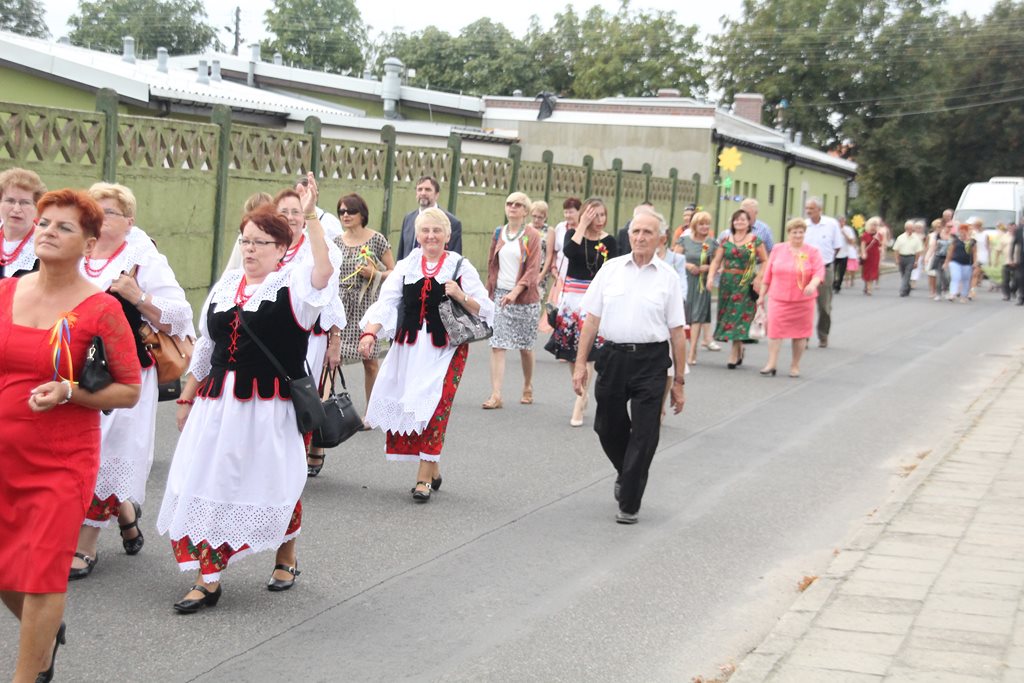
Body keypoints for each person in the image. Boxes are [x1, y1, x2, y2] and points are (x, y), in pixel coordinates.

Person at [157, 184, 336, 613]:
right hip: (217, 405)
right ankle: (209, 577)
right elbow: (207, 346)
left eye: (260, 242)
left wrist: (309, 217)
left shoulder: (293, 286)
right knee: (208, 479)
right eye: (245, 240)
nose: (250, 249)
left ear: (281, 248)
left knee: (273, 482)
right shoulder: (227, 285)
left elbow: (324, 273)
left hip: (268, 409)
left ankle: (285, 556)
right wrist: (186, 395)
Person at [1, 189, 141, 682]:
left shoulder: (101, 308)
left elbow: (129, 390)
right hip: (3, 451)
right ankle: (45, 631)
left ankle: (30, 673)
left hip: (61, 459)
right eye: (44, 223)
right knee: (4, 571)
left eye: (63, 227)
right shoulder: (6, 292)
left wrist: (70, 391)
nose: (47, 232)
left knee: (41, 571)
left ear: (88, 245)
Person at [68, 182, 195, 580]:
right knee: (78, 452)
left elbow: (181, 314)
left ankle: (85, 545)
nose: (100, 218)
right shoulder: (77, 251)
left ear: (129, 221)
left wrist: (138, 296)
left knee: (107, 453)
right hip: (76, 370)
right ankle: (125, 516)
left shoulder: (143, 258)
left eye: (110, 212)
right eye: (94, 209)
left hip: (123, 373)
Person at [358, 208, 494, 502]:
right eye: (425, 231)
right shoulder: (407, 266)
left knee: (435, 406)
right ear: (417, 235)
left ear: (447, 235)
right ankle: (432, 465)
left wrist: (460, 295)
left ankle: (422, 479)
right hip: (409, 348)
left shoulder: (460, 265)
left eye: (436, 230)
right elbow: (387, 303)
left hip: (445, 350)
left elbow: (486, 308)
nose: (431, 236)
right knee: (415, 405)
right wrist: (370, 333)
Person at [572, 207, 686, 525]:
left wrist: (679, 381)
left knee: (645, 433)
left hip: (651, 360)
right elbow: (591, 319)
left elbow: (677, 331)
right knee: (606, 426)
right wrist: (581, 364)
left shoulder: (669, 278)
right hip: (613, 356)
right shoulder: (611, 269)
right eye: (635, 232)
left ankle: (629, 501)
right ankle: (627, 472)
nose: (639, 237)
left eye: (647, 232)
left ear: (661, 238)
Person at [545, 197, 618, 427]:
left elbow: (613, 270)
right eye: (593, 215)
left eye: (602, 215)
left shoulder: (610, 242)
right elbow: (569, 252)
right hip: (571, 299)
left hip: (595, 299)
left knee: (587, 352)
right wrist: (582, 226)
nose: (599, 220)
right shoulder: (572, 235)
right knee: (571, 351)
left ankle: (578, 404)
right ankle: (582, 391)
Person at [483, 192, 543, 409]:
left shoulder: (532, 236)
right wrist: (489, 291)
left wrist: (516, 292)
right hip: (501, 295)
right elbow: (492, 263)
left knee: (525, 347)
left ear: (525, 211)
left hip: (525, 299)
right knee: (497, 345)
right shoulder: (499, 232)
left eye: (518, 205)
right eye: (509, 204)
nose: (513, 207)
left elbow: (533, 269)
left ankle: (528, 385)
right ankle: (496, 394)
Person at [757, 218, 825, 378]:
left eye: (801, 232)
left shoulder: (812, 252)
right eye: (794, 232)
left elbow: (819, 272)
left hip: (803, 301)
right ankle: (771, 363)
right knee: (774, 332)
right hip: (778, 298)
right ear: (788, 233)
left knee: (800, 334)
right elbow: (768, 274)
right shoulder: (778, 249)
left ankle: (795, 365)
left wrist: (812, 285)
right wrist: (761, 296)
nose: (798, 235)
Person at [706, 209, 767, 368]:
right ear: (732, 223)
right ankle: (739, 348)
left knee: (740, 317)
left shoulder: (755, 241)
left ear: (749, 223)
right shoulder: (725, 240)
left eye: (743, 220)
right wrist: (711, 276)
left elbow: (765, 261)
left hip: (746, 281)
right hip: (727, 282)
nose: (739, 222)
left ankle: (734, 352)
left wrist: (759, 278)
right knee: (728, 316)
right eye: (736, 220)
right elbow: (716, 261)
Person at [676, 211, 717, 366]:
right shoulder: (684, 241)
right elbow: (675, 259)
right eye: (701, 224)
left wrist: (708, 268)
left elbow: (716, 263)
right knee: (684, 317)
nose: (705, 227)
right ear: (694, 225)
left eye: (707, 224)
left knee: (697, 317)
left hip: (702, 283)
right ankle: (681, 348)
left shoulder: (712, 243)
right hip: (686, 281)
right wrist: (688, 265)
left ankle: (692, 351)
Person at [803, 197, 845, 347]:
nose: (808, 211)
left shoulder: (831, 224)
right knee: (804, 305)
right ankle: (803, 337)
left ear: (820, 209)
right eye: (807, 208)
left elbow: (837, 246)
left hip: (825, 268)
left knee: (824, 306)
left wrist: (826, 260)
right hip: (805, 269)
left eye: (811, 208)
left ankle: (823, 335)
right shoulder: (804, 225)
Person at [397, 176, 462, 259]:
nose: (423, 193)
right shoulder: (408, 219)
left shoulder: (452, 222)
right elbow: (401, 254)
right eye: (420, 189)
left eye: (428, 189)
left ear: (437, 195)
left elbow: (455, 259)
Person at [542, 197, 581, 331]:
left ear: (579, 212)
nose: (568, 215)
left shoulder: (582, 229)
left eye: (571, 212)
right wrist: (553, 268)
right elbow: (554, 250)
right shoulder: (560, 227)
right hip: (560, 273)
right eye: (566, 212)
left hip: (576, 275)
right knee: (557, 305)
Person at [0, 167, 46, 279]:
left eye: (24, 203)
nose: (16, 209)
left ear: (37, 207)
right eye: (10, 201)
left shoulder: (43, 245)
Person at [944, 222, 976, 302]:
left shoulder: (972, 241)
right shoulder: (955, 240)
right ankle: (952, 293)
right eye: (961, 230)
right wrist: (946, 262)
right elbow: (950, 251)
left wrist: (975, 262)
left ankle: (963, 295)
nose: (962, 232)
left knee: (965, 279)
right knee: (956, 277)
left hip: (967, 263)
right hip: (955, 261)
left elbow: (974, 252)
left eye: (964, 230)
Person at [893, 220, 925, 297]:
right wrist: (897, 259)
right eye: (908, 228)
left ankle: (902, 290)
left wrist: (916, 261)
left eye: (912, 228)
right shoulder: (900, 237)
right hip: (902, 257)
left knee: (907, 274)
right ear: (906, 228)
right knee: (903, 274)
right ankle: (907, 287)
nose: (910, 230)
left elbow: (918, 251)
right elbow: (896, 249)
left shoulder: (916, 238)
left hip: (911, 257)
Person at [833, 216, 857, 293]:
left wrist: (844, 233)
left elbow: (852, 242)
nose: (841, 223)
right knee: (832, 271)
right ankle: (834, 283)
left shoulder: (848, 229)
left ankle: (838, 286)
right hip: (834, 254)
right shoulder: (833, 229)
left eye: (843, 221)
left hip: (844, 254)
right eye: (840, 221)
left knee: (841, 272)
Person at [860, 216, 884, 295]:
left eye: (875, 225)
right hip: (867, 255)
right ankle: (867, 286)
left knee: (873, 271)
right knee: (866, 271)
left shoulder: (879, 235)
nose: (874, 227)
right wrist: (863, 253)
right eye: (872, 225)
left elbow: (880, 245)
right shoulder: (865, 234)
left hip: (875, 255)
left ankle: (869, 288)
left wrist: (878, 239)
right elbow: (863, 245)